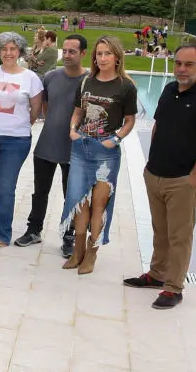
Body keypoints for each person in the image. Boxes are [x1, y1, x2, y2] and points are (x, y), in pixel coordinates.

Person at [125, 45, 196, 309]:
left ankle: (174, 287)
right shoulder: (170, 90)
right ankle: (157, 275)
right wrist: (150, 164)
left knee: (180, 235)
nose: (182, 69)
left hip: (184, 179)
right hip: (156, 172)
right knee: (160, 229)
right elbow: (159, 125)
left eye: (189, 64)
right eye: (178, 63)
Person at [60, 36, 137, 275]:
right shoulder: (86, 82)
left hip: (106, 154)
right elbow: (78, 112)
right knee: (79, 203)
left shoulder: (126, 86)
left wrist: (115, 139)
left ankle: (91, 254)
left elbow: (129, 120)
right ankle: (77, 251)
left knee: (98, 206)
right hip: (81, 149)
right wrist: (72, 130)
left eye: (107, 54)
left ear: (117, 57)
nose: (102, 58)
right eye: (99, 54)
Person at [14, 34, 88, 255]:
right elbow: (45, 106)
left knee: (72, 195)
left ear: (83, 53)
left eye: (72, 51)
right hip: (47, 144)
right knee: (40, 192)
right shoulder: (51, 77)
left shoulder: (89, 81)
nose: (66, 55)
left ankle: (69, 236)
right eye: (64, 51)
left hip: (74, 149)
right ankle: (34, 230)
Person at [0, 31, 43, 247]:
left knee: (6, 187)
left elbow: (35, 110)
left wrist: (18, 125)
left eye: (13, 48)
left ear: (20, 51)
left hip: (15, 141)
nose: (8, 52)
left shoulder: (30, 78)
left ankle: (2, 231)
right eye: (4, 48)